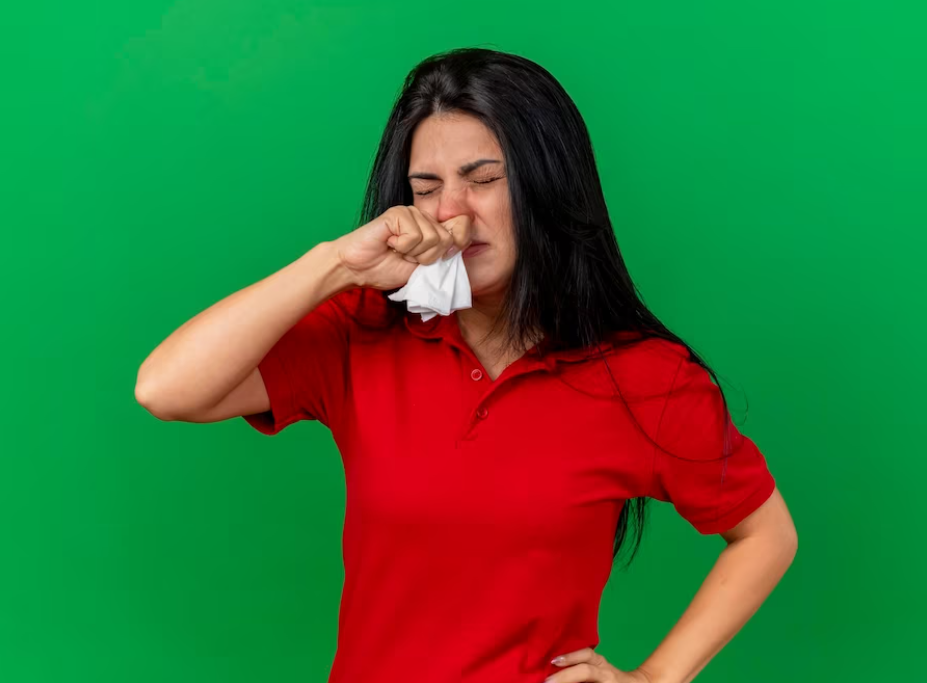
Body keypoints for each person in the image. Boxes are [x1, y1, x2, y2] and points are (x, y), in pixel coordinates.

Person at [136, 47, 797, 683]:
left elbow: (766, 534)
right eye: (426, 188)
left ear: (547, 182)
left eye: (482, 179)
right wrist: (335, 264)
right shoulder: (361, 332)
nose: (450, 211)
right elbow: (165, 388)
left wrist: (657, 675)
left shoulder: (645, 377)